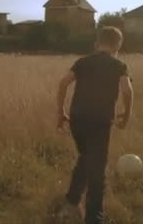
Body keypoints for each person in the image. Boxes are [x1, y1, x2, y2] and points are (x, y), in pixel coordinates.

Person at [54, 26, 134, 224]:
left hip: (77, 119)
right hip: (100, 121)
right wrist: (127, 115)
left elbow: (63, 83)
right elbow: (127, 91)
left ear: (97, 43)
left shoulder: (82, 62)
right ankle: (94, 218)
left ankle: (71, 201)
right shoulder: (119, 65)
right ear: (118, 45)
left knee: (86, 157)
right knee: (97, 169)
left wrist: (61, 112)